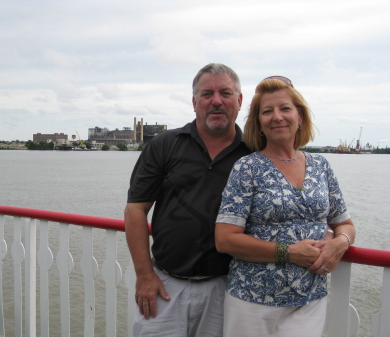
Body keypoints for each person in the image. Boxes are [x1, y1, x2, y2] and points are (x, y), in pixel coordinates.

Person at [215, 76, 356, 337]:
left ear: (300, 116)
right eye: (267, 112)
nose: (277, 117)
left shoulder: (320, 166)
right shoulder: (247, 168)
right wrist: (288, 252)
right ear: (258, 123)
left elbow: (344, 223)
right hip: (253, 300)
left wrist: (340, 243)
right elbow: (225, 239)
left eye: (285, 108)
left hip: (310, 299)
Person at [124, 63, 251, 337]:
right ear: (194, 102)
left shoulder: (253, 155)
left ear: (239, 101)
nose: (216, 101)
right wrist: (145, 275)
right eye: (207, 94)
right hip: (164, 284)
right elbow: (135, 210)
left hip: (227, 288)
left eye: (225, 93)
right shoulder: (164, 145)